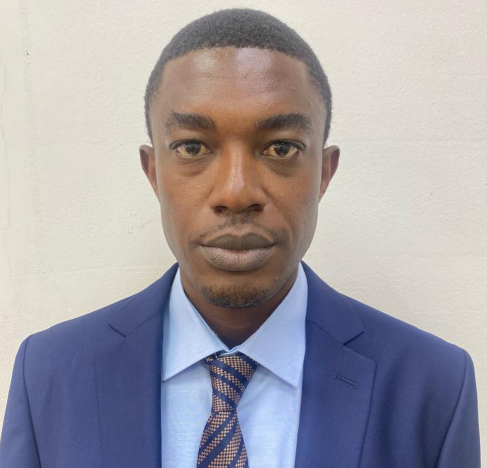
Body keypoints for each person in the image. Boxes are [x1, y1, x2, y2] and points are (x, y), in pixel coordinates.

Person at [0, 8, 480, 468]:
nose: (236, 193)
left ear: (323, 173)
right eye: (192, 147)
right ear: (154, 172)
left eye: (281, 148)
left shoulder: (434, 385)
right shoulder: (49, 375)